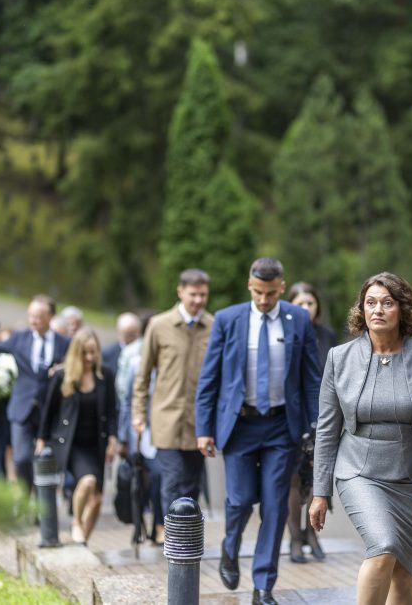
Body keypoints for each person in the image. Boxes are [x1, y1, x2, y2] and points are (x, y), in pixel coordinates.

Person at [309, 272, 412, 605]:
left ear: (402, 309)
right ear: (361, 310)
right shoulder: (339, 359)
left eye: (387, 303)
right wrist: (320, 492)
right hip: (358, 471)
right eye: (370, 303)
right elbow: (327, 429)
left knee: (403, 571)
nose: (378, 310)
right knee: (384, 544)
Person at [196, 257, 321, 605]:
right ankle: (230, 546)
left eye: (269, 293)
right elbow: (210, 378)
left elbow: (312, 379)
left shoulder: (298, 321)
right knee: (238, 502)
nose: (263, 300)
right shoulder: (227, 319)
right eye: (257, 292)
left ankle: (263, 584)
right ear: (249, 286)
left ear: (282, 286)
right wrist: (204, 429)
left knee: (275, 505)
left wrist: (316, 427)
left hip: (282, 428)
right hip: (240, 425)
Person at [132, 269, 213, 516]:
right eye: (193, 295)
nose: (198, 300)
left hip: (199, 422)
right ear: (180, 292)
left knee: (192, 485)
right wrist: (138, 413)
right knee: (173, 481)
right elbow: (143, 375)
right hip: (166, 418)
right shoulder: (159, 325)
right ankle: (174, 546)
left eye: (203, 295)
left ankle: (187, 543)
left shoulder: (214, 326)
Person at [0, 295, 70, 490]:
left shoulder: (64, 343)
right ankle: (26, 499)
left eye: (38, 316)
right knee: (22, 459)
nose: (33, 320)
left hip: (50, 409)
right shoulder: (19, 339)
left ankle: (44, 504)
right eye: (31, 316)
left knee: (48, 461)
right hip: (22, 408)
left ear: (50, 316)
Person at [37, 328, 118, 544]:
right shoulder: (63, 377)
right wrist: (42, 439)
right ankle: (75, 522)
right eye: (85, 353)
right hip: (72, 444)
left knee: (97, 500)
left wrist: (112, 440)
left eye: (94, 352)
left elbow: (111, 411)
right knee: (87, 482)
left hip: (97, 444)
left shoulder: (105, 375)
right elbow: (49, 411)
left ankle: (82, 542)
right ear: (76, 352)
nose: (90, 358)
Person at [285, 282, 337, 563]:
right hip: (293, 417)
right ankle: (295, 538)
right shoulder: (282, 333)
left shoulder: (327, 335)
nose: (305, 308)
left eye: (310, 303)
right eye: (299, 302)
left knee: (319, 478)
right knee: (293, 479)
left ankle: (313, 533)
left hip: (324, 417)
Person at [117, 312, 164, 543]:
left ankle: (159, 524)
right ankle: (140, 524)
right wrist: (123, 436)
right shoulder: (136, 362)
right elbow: (126, 399)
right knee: (142, 480)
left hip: (164, 428)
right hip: (142, 430)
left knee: (159, 476)